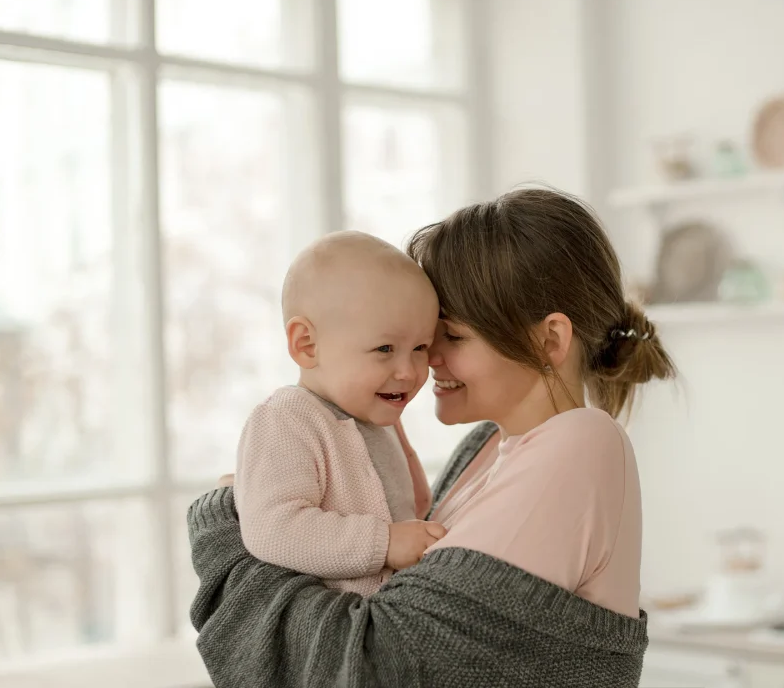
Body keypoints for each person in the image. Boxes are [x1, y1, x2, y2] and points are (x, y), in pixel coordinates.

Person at [187, 187, 677, 687]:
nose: (425, 361)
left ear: (549, 340)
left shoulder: (580, 443)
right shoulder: (484, 449)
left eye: (450, 336)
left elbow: (375, 663)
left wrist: (226, 525)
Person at [233, 231, 445, 597]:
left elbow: (407, 505)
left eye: (420, 347)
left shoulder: (375, 417)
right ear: (307, 345)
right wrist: (384, 542)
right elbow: (272, 529)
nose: (409, 371)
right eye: (385, 348)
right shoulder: (286, 420)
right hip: (330, 629)